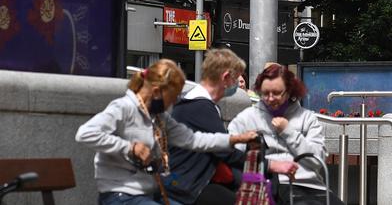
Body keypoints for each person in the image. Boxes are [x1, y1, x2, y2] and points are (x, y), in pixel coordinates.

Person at [75, 59, 257, 205]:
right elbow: (85, 133)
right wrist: (130, 148)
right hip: (120, 195)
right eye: (172, 97)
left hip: (150, 193)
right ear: (156, 91)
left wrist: (233, 139)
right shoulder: (124, 108)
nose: (173, 103)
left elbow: (193, 140)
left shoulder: (159, 117)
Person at [164, 49, 298, 205]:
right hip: (189, 187)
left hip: (192, 181)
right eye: (235, 79)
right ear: (225, 78)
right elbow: (224, 151)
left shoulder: (196, 103)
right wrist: (272, 165)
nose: (237, 84)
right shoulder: (200, 106)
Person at [228, 64, 343, 205]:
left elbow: (316, 160)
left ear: (289, 92)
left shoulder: (307, 118)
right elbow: (232, 156)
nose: (270, 98)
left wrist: (288, 132)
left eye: (276, 93)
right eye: (265, 93)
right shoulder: (247, 118)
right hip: (271, 185)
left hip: (311, 186)